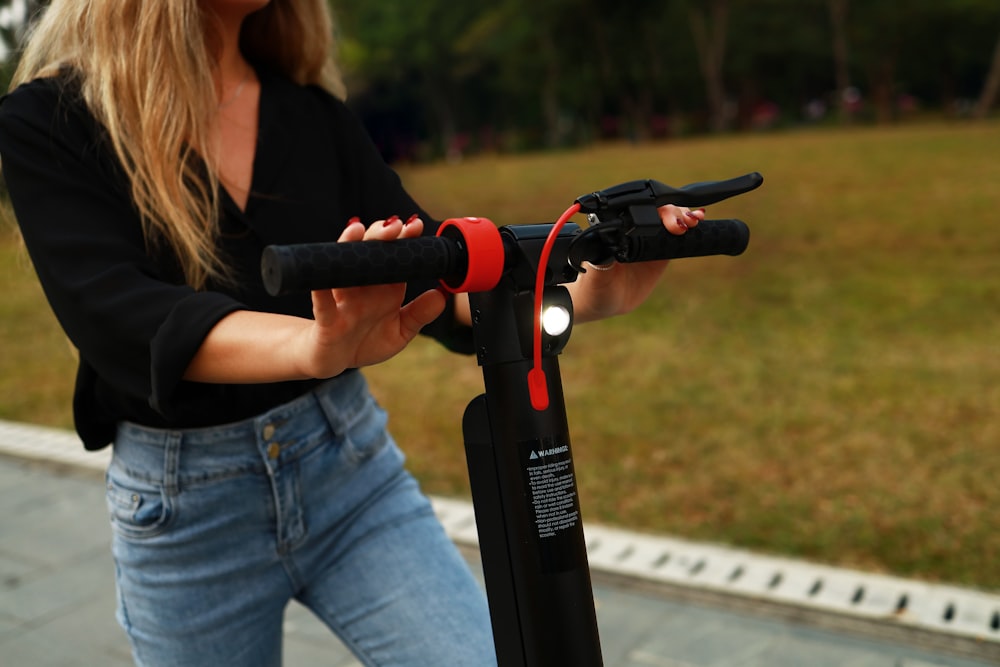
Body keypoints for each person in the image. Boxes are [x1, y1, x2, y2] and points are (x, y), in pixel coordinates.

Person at [0, 1, 704, 665]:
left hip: (346, 469)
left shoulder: (309, 114)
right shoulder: (50, 120)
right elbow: (119, 317)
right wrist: (311, 346)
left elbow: (442, 279)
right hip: (184, 510)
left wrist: (589, 291)